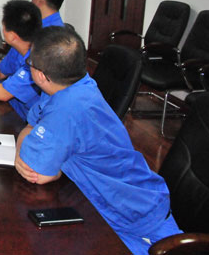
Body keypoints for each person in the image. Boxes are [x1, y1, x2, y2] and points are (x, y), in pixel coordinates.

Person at [16, 26, 181, 255]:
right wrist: (37, 147)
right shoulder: (69, 85)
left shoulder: (66, 108)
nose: (29, 66)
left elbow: (36, 171)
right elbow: (31, 125)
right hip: (105, 206)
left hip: (135, 218)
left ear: (42, 76)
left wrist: (25, 149)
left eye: (30, 63)